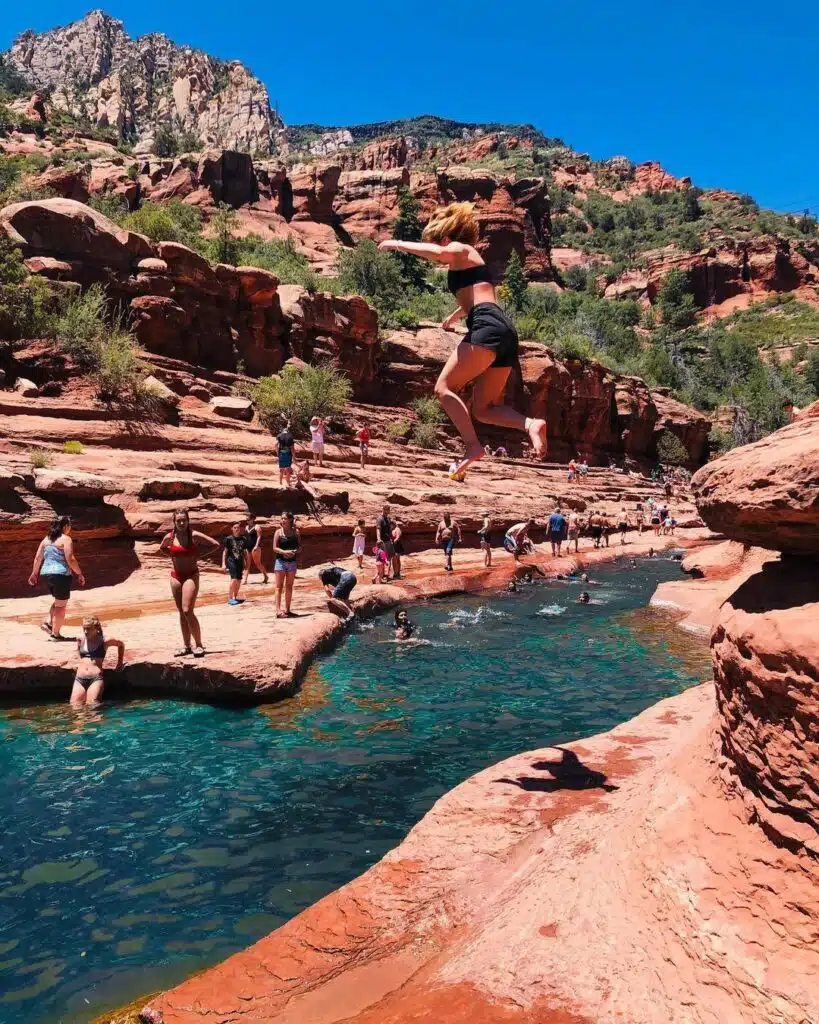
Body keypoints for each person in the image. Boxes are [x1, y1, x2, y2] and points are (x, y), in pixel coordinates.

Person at [378, 203, 547, 478]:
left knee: (444, 387)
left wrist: (397, 243)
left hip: (486, 325)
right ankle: (530, 424)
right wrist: (454, 316)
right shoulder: (469, 263)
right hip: (502, 329)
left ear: (448, 233)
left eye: (438, 239)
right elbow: (478, 294)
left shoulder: (462, 248)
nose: (438, 245)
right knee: (483, 408)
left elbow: (443, 254)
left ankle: (472, 446)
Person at [160, 509, 220, 658]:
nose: (181, 523)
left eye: (184, 520)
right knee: (181, 612)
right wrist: (173, 555)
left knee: (187, 610)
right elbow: (162, 548)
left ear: (188, 521)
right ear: (174, 522)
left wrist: (197, 555)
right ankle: (187, 646)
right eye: (178, 520)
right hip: (176, 577)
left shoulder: (193, 535)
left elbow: (215, 544)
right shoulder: (169, 537)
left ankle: (199, 645)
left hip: (191, 576)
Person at [29, 515, 85, 641]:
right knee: (61, 606)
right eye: (69, 526)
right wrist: (79, 573)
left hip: (46, 574)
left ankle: (48, 622)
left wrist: (34, 573)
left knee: (58, 601)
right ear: (65, 526)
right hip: (61, 574)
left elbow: (38, 558)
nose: (70, 529)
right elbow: (70, 558)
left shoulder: (46, 540)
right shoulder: (66, 539)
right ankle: (56, 634)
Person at [71, 615, 124, 707]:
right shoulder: (81, 639)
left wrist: (119, 662)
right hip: (79, 679)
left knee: (92, 706)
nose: (85, 631)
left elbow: (121, 644)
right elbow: (78, 651)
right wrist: (78, 663)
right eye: (84, 628)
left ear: (96, 628)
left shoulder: (104, 640)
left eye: (88, 629)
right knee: (75, 705)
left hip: (95, 679)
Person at [272, 511, 300, 618]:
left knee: (289, 586)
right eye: (282, 518)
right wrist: (284, 552)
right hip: (280, 562)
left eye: (285, 518)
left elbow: (299, 547)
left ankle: (287, 610)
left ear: (290, 520)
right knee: (278, 587)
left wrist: (294, 551)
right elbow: (274, 548)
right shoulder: (278, 533)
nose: (283, 520)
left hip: (292, 562)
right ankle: (278, 611)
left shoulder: (296, 532)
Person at [223, 522, 249, 606]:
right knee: (234, 579)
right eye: (235, 527)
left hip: (240, 561)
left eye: (238, 527)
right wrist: (223, 563)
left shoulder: (243, 539)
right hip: (231, 561)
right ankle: (230, 598)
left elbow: (245, 552)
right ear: (232, 529)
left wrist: (246, 563)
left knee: (239, 580)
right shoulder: (229, 539)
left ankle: (235, 597)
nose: (237, 529)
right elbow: (225, 551)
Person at [376, 504, 401, 580]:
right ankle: (383, 574)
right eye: (385, 510)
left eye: (388, 510)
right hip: (382, 541)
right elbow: (378, 529)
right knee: (383, 558)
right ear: (383, 510)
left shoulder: (388, 518)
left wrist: (391, 538)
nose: (387, 511)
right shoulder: (379, 519)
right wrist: (379, 539)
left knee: (389, 558)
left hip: (388, 541)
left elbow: (390, 529)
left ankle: (387, 574)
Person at [243, 514, 268, 585]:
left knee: (258, 563)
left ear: (252, 519)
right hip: (248, 547)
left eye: (248, 519)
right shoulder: (246, 527)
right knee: (247, 564)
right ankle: (245, 580)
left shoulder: (257, 527)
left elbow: (259, 537)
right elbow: (246, 538)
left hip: (255, 547)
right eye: (246, 520)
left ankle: (265, 576)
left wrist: (256, 546)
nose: (247, 521)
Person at [277, 421, 295, 487]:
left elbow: (276, 445)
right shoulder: (290, 437)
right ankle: (288, 482)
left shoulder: (279, 435)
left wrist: (277, 453)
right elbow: (292, 448)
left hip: (281, 453)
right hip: (288, 454)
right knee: (288, 469)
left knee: (281, 469)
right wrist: (294, 457)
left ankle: (280, 482)